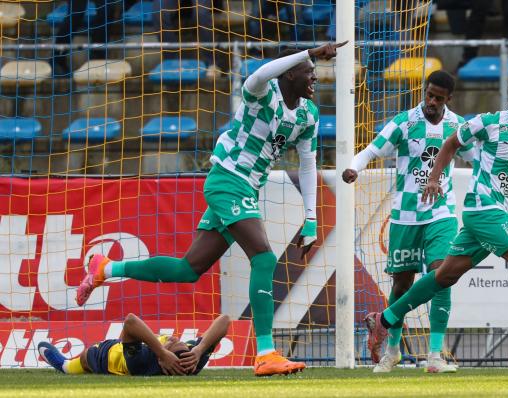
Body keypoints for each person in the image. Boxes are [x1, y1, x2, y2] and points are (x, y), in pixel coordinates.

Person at [74, 41, 347, 376]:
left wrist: (310, 219)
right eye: (309, 71)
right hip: (227, 180)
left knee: (189, 269)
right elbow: (260, 73)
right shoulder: (262, 93)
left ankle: (107, 269)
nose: (314, 77)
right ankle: (265, 353)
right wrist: (309, 52)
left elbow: (308, 164)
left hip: (246, 188)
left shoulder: (308, 115)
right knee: (263, 257)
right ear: (290, 72)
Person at [364, 75, 508, 371]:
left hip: (498, 214)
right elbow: (450, 143)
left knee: (444, 277)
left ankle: (383, 320)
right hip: (483, 209)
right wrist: (433, 178)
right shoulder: (490, 123)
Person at [342, 70, 473, 373]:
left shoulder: (457, 126)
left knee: (442, 276)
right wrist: (354, 168)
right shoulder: (404, 122)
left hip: (441, 212)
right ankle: (392, 352)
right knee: (402, 285)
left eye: (438, 98)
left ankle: (436, 355)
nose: (431, 101)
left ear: (448, 100)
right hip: (405, 216)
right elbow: (373, 149)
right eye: (429, 94)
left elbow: (477, 156)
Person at [38, 313, 230, 376]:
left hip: (107, 355)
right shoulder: (191, 361)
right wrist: (199, 349)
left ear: (163, 361)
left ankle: (62, 364)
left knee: (76, 363)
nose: (176, 340)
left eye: (174, 346)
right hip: (141, 342)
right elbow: (225, 320)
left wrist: (162, 352)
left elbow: (130, 321)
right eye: (182, 344)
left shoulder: (142, 362)